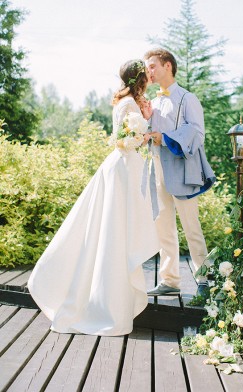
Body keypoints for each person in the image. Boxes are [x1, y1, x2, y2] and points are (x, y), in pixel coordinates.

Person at [28, 60, 160, 336]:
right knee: (113, 234)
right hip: (122, 170)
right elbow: (124, 140)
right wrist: (146, 133)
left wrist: (145, 118)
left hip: (126, 168)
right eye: (146, 75)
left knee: (117, 233)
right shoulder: (126, 104)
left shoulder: (128, 101)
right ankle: (105, 307)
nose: (149, 78)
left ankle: (113, 301)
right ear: (140, 79)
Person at [143, 48, 215, 297]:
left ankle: (204, 279)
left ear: (168, 66)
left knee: (191, 225)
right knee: (163, 226)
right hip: (157, 169)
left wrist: (164, 138)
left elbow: (196, 132)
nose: (148, 71)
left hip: (182, 170)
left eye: (152, 66)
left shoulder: (187, 98)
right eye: (147, 67)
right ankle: (170, 280)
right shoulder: (152, 102)